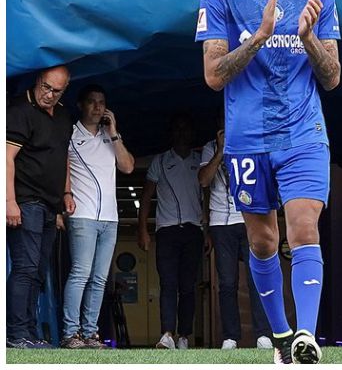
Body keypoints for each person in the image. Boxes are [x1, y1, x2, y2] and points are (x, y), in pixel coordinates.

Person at [196, 0, 341, 364]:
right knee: (262, 241)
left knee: (304, 228)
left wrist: (307, 39)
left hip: (303, 134)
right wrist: (259, 36)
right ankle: (280, 338)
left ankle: (306, 336)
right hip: (246, 138)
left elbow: (333, 76)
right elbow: (214, 76)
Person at [61, 85, 134, 349]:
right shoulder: (69, 134)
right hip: (82, 214)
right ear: (80, 104)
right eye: (91, 102)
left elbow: (127, 167)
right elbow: (61, 169)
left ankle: (91, 334)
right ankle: (71, 333)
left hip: (110, 217)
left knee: (100, 278)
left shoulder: (110, 135)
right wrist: (64, 197)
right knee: (81, 272)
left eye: (102, 102)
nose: (97, 107)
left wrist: (114, 133)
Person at [6, 66, 74, 349]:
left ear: (64, 91)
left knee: (38, 269)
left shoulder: (63, 116)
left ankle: (29, 333)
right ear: (37, 81)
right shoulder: (20, 110)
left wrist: (65, 195)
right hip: (26, 200)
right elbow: (6, 157)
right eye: (45, 87)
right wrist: (9, 201)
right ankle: (15, 333)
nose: (48, 94)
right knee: (25, 267)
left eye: (56, 91)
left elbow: (63, 158)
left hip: (50, 204)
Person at [198, 114, 273, 351]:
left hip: (249, 218)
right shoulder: (209, 148)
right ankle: (230, 336)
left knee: (256, 279)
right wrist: (220, 151)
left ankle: (263, 335)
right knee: (227, 281)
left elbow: (264, 178)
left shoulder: (251, 142)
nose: (227, 126)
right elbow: (203, 181)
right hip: (221, 223)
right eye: (222, 124)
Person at [137, 114, 204, 351]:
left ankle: (184, 335)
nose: (182, 133)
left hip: (194, 232)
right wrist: (143, 229)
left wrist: (208, 230)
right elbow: (146, 197)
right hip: (166, 231)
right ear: (171, 133)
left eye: (186, 128)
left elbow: (207, 194)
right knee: (168, 284)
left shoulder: (200, 160)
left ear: (192, 133)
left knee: (188, 286)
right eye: (178, 128)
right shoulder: (161, 160)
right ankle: (167, 334)